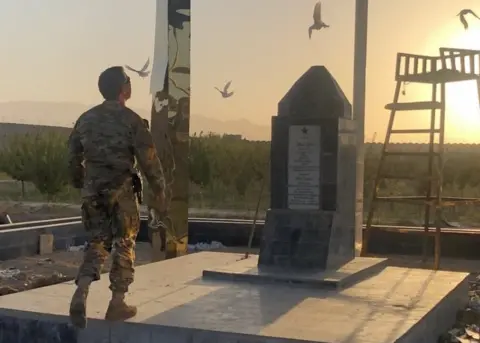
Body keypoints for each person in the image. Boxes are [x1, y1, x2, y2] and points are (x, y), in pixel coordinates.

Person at [67, 66, 166, 329]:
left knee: (98, 241)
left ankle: (82, 290)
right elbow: (149, 161)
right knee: (124, 242)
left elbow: (72, 156)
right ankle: (117, 302)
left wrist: (81, 181)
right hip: (121, 191)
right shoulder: (132, 121)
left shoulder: (85, 119)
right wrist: (160, 190)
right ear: (123, 89)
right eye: (129, 81)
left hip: (93, 190)